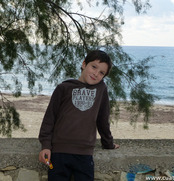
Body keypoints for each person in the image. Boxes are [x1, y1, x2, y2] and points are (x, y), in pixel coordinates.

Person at [38, 50, 119, 181]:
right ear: (84, 64)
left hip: (84, 154)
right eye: (94, 67)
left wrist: (108, 143)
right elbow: (49, 119)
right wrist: (45, 146)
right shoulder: (64, 88)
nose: (96, 73)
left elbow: (103, 120)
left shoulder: (101, 90)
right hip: (58, 153)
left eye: (101, 73)